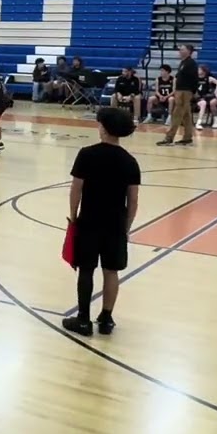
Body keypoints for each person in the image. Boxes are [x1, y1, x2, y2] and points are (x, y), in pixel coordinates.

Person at [63, 108, 140, 337]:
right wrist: (126, 227)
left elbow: (76, 189)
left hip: (89, 220)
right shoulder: (130, 161)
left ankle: (83, 320)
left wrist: (73, 216)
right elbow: (133, 201)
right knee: (111, 271)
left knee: (86, 270)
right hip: (115, 224)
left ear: (104, 128)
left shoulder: (86, 154)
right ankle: (106, 319)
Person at [158, 44, 197, 146]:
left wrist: (191, 92)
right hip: (181, 91)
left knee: (176, 115)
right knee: (186, 116)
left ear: (188, 51)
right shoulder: (184, 62)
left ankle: (169, 138)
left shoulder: (191, 63)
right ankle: (187, 138)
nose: (180, 50)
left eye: (182, 49)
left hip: (184, 92)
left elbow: (194, 79)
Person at [193, 64, 217, 130]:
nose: (197, 70)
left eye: (199, 69)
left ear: (204, 71)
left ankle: (198, 122)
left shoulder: (209, 78)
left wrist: (216, 91)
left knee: (203, 103)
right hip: (196, 98)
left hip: (206, 98)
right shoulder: (194, 78)